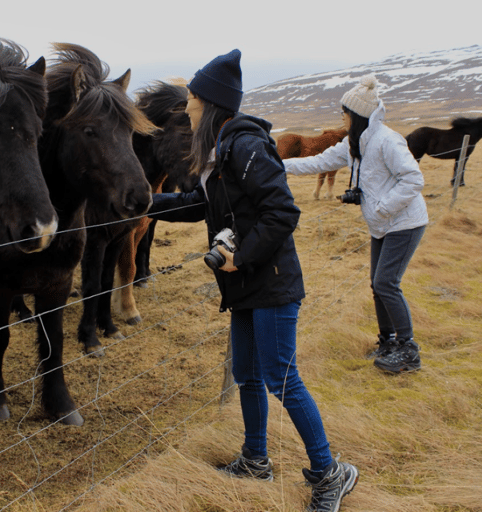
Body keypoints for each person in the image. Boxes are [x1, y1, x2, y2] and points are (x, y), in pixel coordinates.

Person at [149, 49, 358, 512]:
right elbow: (205, 206)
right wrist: (145, 204)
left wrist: (239, 257)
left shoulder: (244, 146)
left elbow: (282, 211)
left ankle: (330, 473)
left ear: (211, 101)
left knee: (280, 378)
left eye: (192, 99)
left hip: (270, 282)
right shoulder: (220, 149)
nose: (187, 106)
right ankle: (255, 459)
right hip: (245, 286)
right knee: (247, 374)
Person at [283, 74, 428, 373]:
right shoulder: (353, 145)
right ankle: (387, 342)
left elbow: (414, 178)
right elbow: (317, 162)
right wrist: (277, 164)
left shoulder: (387, 140)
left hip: (404, 222)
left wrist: (383, 208)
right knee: (378, 285)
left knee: (386, 282)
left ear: (357, 115)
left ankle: (408, 349)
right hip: (383, 224)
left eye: (344, 113)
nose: (341, 117)